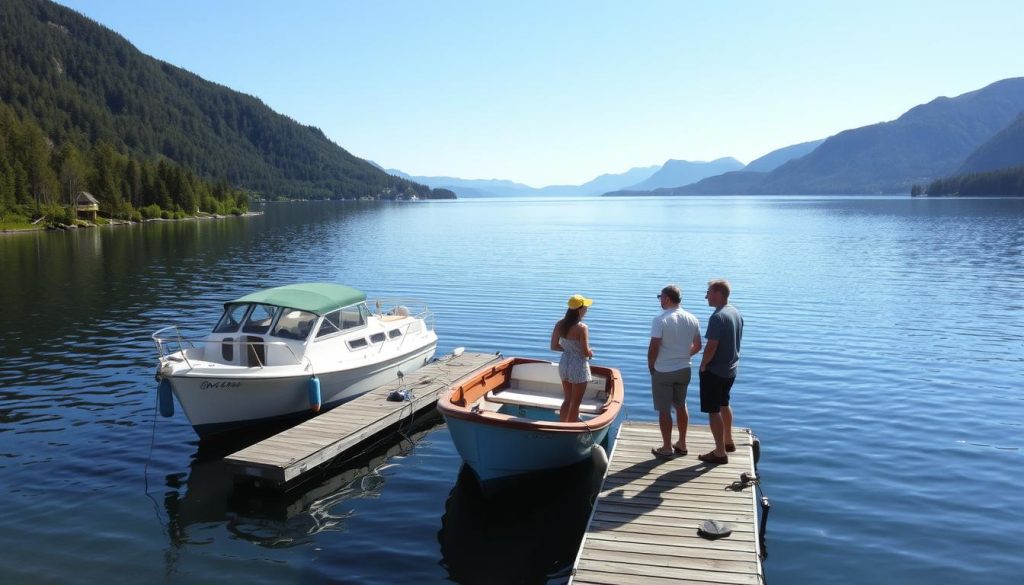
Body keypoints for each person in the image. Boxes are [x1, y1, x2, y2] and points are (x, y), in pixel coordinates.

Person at [648, 285, 702, 459]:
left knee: (664, 409)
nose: (660, 300)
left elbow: (654, 347)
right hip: (684, 368)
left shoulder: (660, 319)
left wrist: (651, 366)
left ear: (667, 299)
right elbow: (699, 346)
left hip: (663, 370)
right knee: (681, 404)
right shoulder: (692, 318)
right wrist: (684, 355)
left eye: (660, 297)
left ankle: (666, 447)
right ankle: (682, 443)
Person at [698, 279, 744, 465]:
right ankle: (728, 441)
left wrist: (703, 365)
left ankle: (719, 452)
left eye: (708, 292)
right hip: (731, 369)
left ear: (717, 293)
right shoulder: (735, 312)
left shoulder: (717, 317)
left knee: (713, 410)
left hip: (715, 371)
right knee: (724, 403)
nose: (706, 296)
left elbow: (711, 346)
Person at [550, 294, 594, 422]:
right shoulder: (582, 327)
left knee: (567, 399)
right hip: (578, 365)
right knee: (575, 403)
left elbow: (554, 346)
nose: (587, 310)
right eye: (585, 307)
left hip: (564, 363)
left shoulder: (560, 324)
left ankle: (562, 425)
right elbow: (585, 352)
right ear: (579, 310)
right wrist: (591, 353)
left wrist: (569, 349)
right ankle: (571, 428)